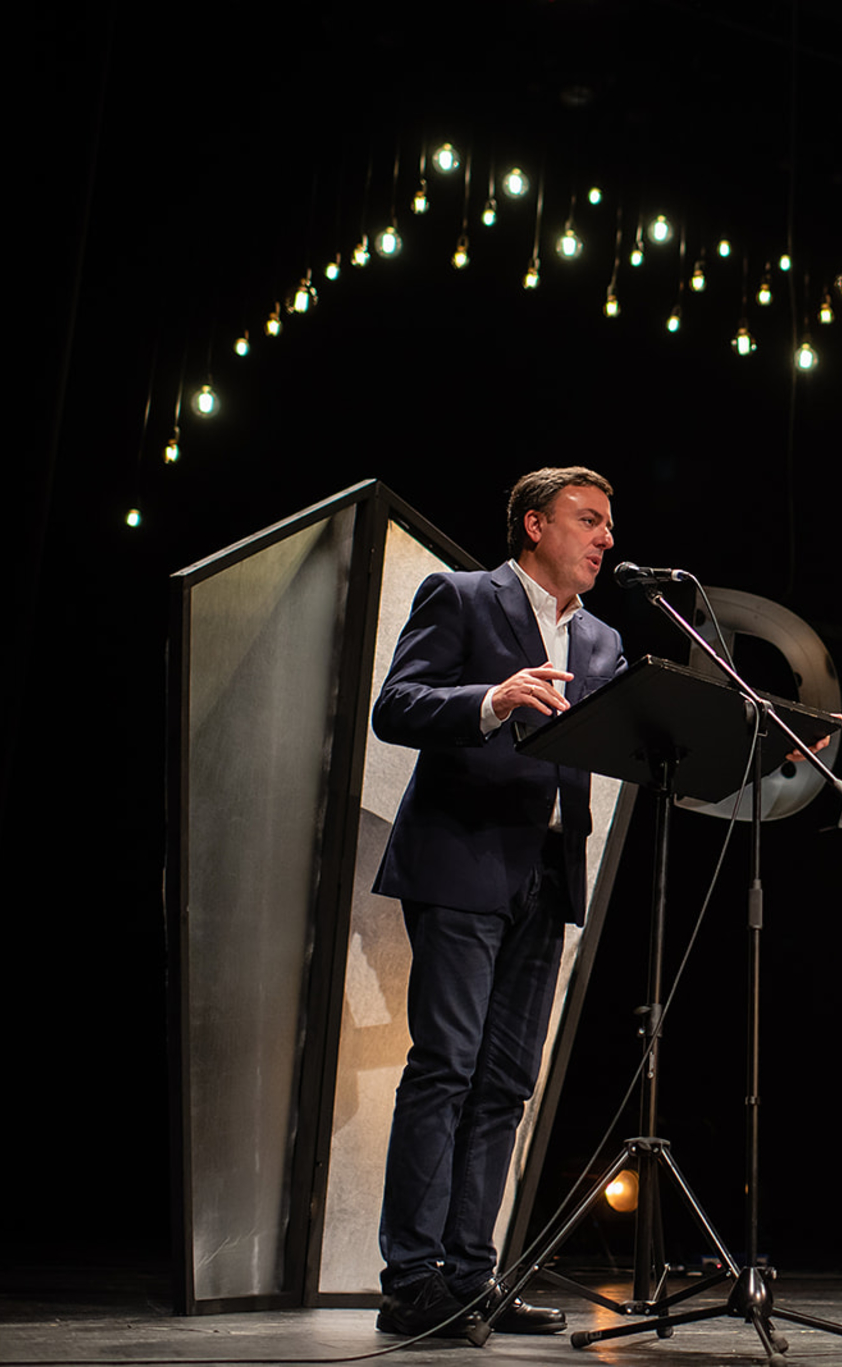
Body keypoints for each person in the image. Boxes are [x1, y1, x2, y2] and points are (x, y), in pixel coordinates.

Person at [369, 466, 625, 1339]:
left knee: (506, 1083)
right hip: (463, 862)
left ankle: (472, 1276)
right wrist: (491, 698)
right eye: (588, 520)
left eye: (608, 524)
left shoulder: (601, 640)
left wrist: (747, 745)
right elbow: (396, 704)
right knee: (446, 1065)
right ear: (534, 524)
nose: (606, 538)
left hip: (547, 876)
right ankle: (411, 1280)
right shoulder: (463, 596)